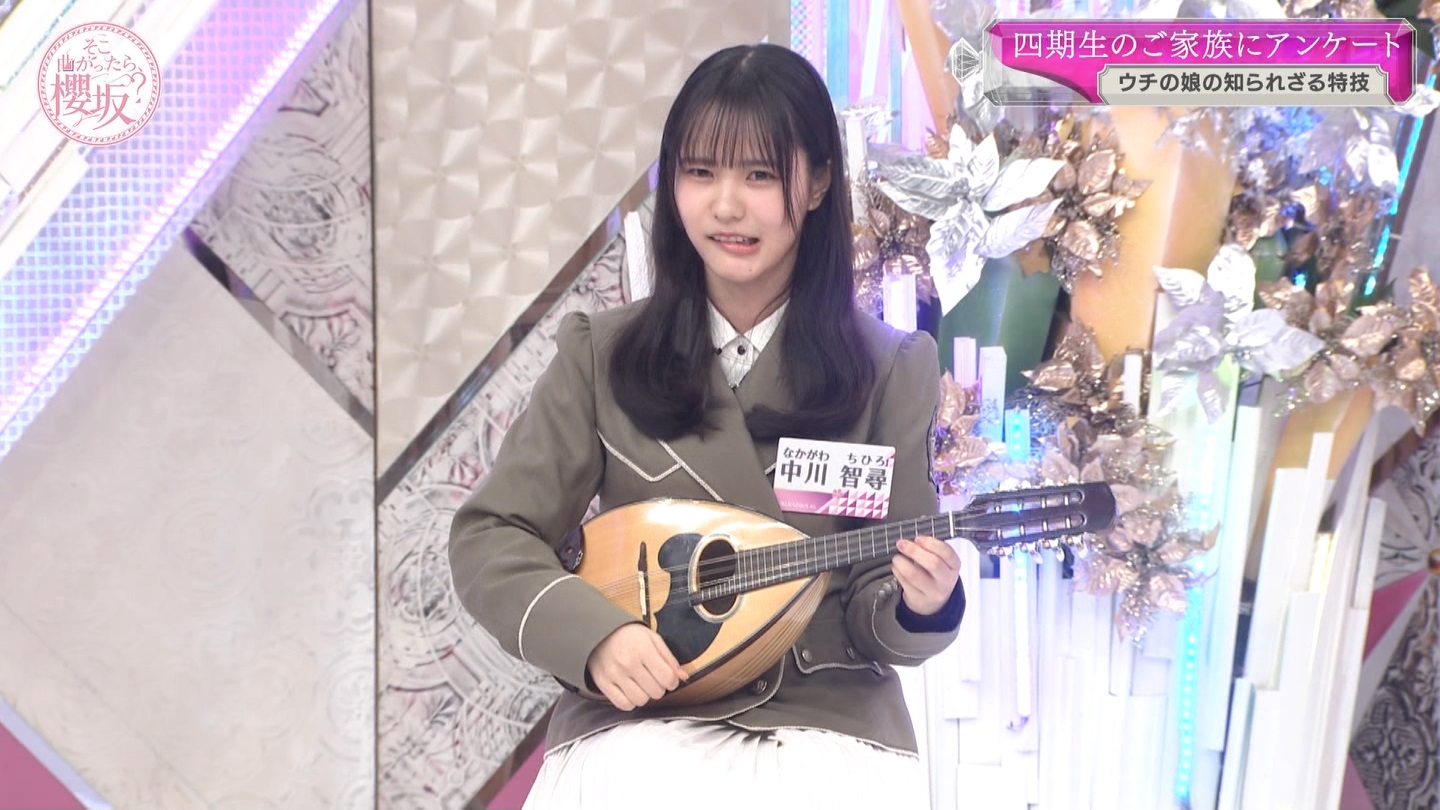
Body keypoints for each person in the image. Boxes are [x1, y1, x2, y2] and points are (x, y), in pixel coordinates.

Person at [448, 42, 964, 809]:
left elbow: (876, 606)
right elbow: (492, 535)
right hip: (645, 716)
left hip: (823, 723)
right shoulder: (600, 354)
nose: (726, 206)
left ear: (819, 181)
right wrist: (596, 637)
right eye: (699, 172)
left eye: (759, 175)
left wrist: (925, 601)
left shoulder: (890, 366)